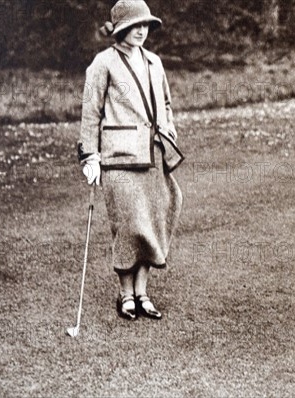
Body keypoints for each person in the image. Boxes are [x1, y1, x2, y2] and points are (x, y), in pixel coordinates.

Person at [78, 0, 183, 321]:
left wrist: (169, 131)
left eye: (145, 25)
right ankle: (125, 296)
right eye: (134, 25)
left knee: (154, 219)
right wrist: (90, 156)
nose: (141, 31)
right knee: (128, 226)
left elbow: (165, 102)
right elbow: (91, 111)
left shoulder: (154, 61)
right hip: (119, 157)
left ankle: (142, 293)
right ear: (119, 28)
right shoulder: (103, 63)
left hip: (154, 156)